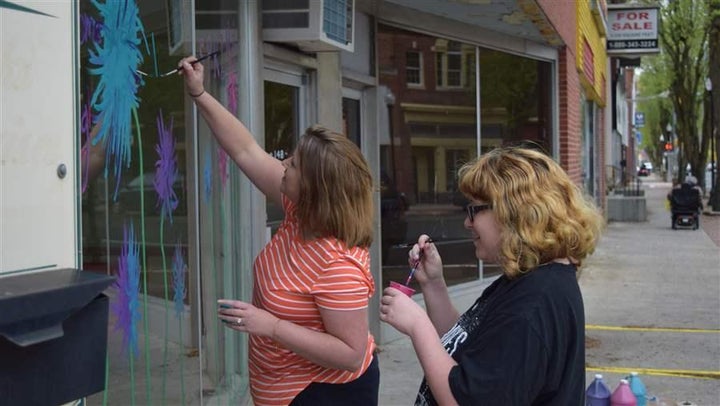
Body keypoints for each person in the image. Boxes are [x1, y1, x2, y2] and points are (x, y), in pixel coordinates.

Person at [178, 56, 379, 406]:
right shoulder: (298, 213)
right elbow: (245, 150)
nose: (283, 163)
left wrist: (270, 326)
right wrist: (200, 94)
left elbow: (351, 352)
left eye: (294, 164)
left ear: (317, 189)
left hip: (327, 395)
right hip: (283, 390)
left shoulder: (338, 267)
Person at [379, 146, 604, 405]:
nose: (467, 222)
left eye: (474, 209)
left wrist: (418, 326)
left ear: (512, 212)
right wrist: (433, 284)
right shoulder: (532, 279)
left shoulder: (532, 305)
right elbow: (468, 345)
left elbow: (463, 399)